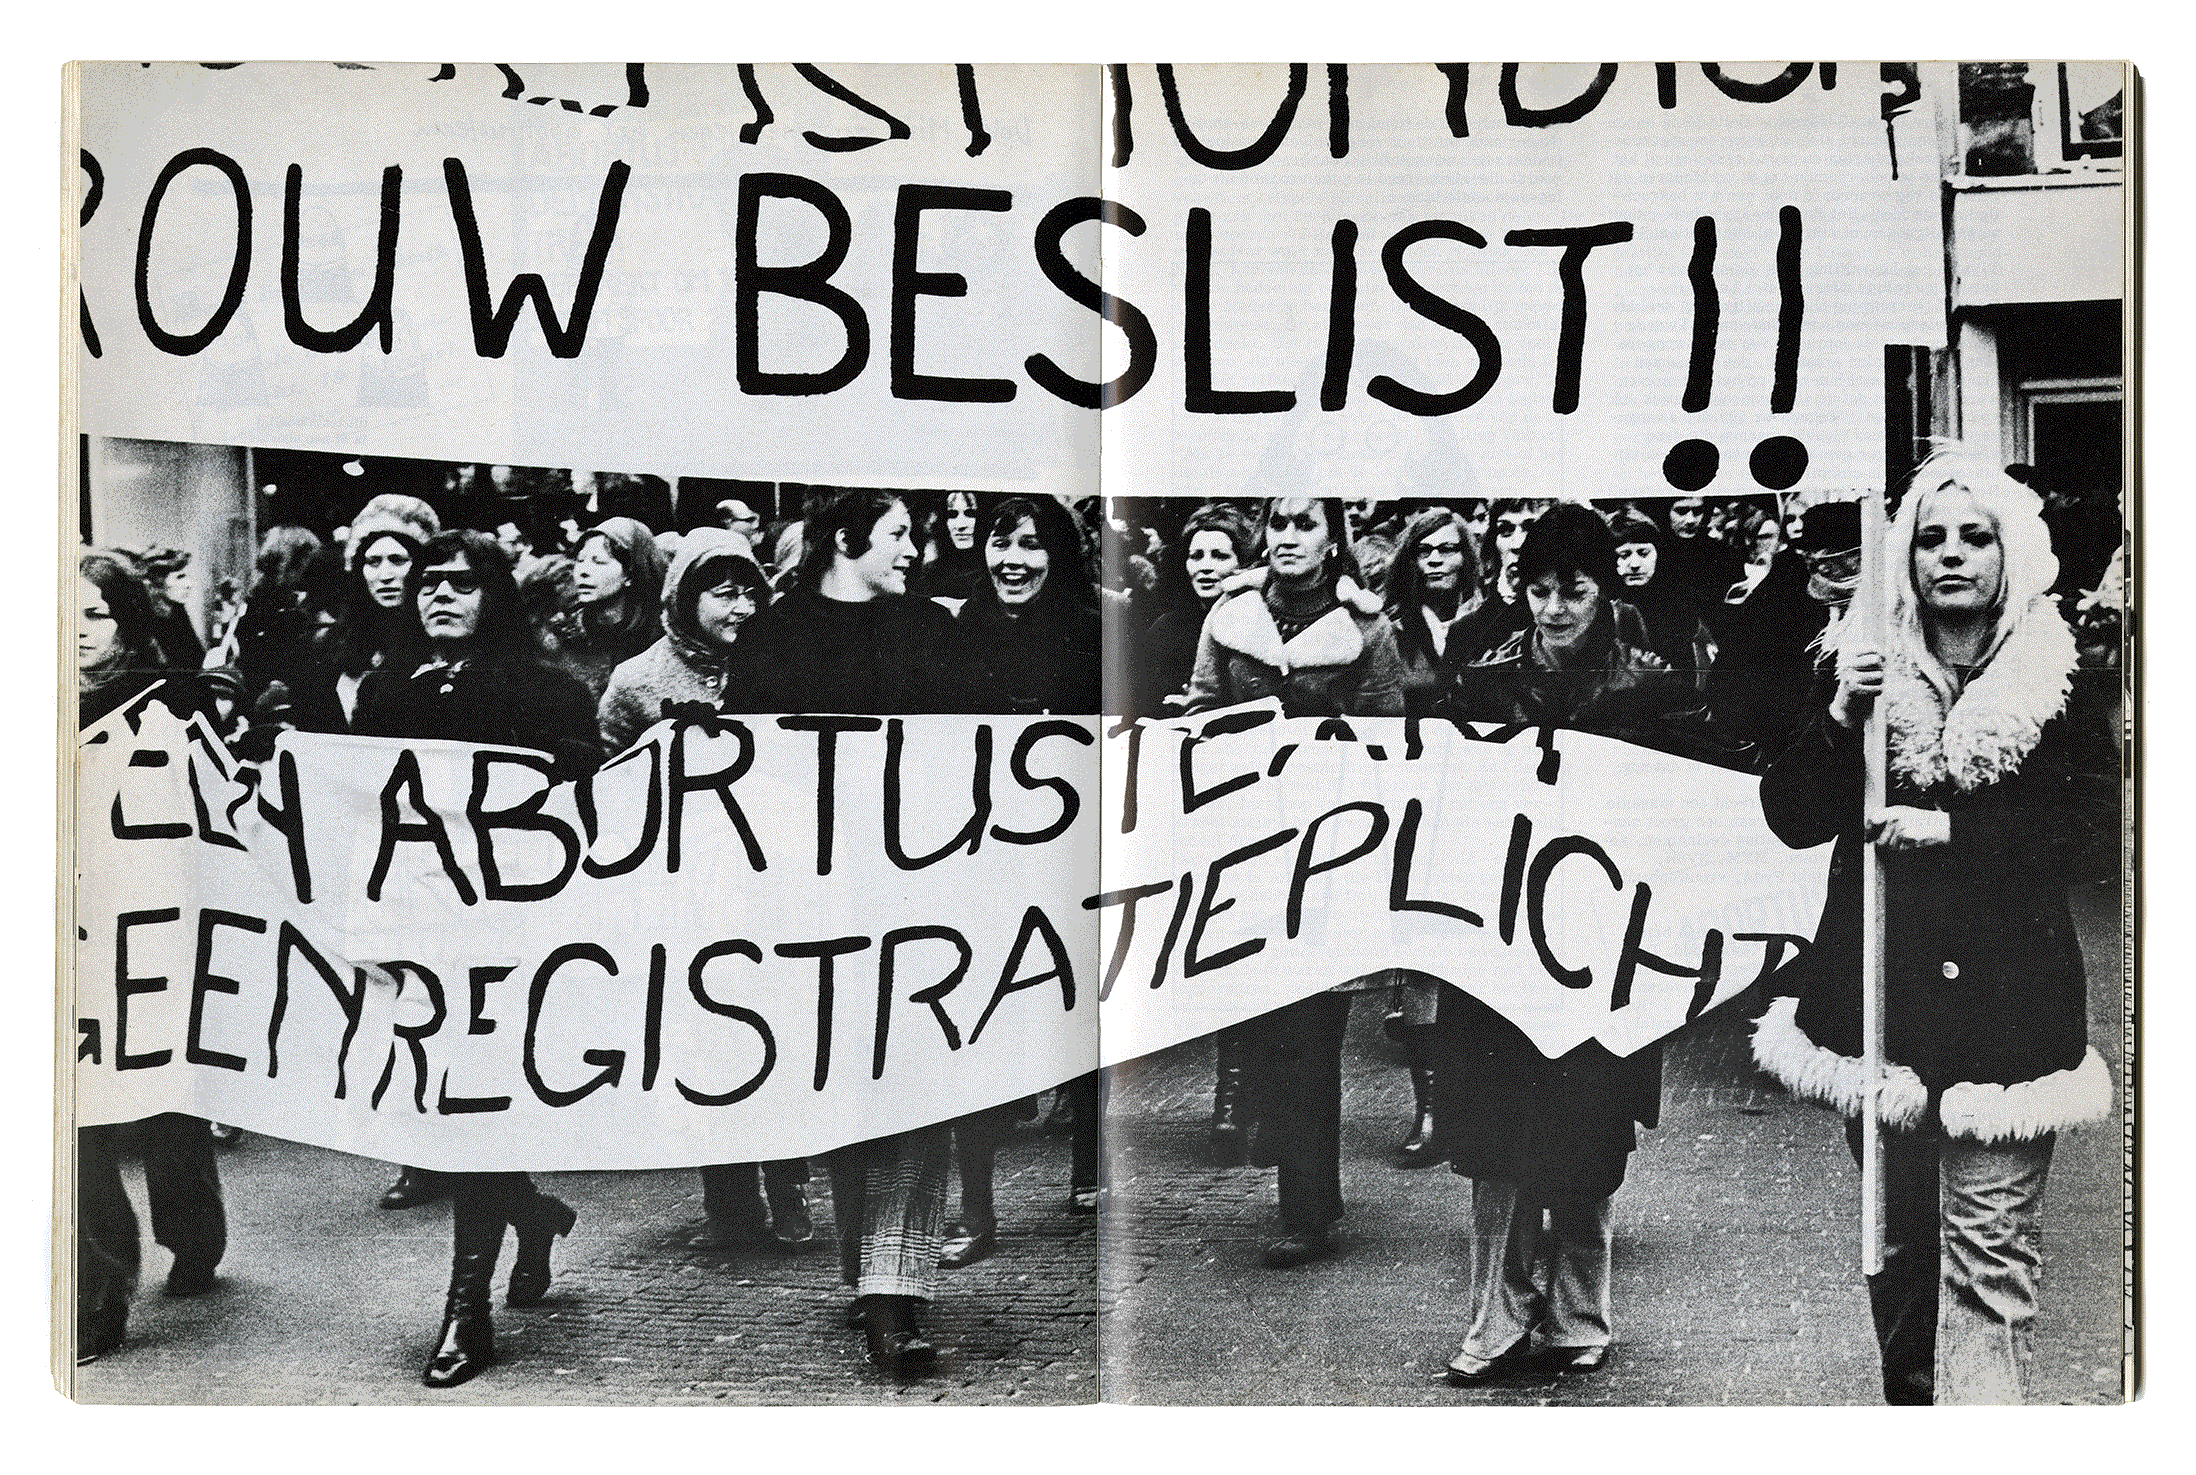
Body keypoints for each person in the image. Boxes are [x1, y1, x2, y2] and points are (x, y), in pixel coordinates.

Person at [1751, 451, 2114, 1405]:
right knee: (1902, 1250)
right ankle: (1915, 1418)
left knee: (1989, 1260)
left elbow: (2092, 830)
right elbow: (1790, 813)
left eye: (1977, 536)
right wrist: (1839, 712)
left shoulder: (2067, 675)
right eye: (1930, 537)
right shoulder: (1855, 661)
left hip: (2012, 1020)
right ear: (1900, 556)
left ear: (2015, 552)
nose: (1952, 555)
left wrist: (1953, 829)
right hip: (1883, 1011)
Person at [1431, 503, 1703, 1383]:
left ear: (1605, 590)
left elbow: (1692, 810)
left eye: (1573, 590)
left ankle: (1581, 1309)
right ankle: (1496, 1312)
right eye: (1539, 589)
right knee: (1493, 1134)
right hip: (1500, 945)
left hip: (1606, 947)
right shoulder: (1479, 684)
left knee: (1587, 1131)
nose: (1553, 609)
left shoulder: (1655, 689)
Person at [352, 531, 601, 1387]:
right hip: (423, 936)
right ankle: (533, 1217)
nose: (441, 595)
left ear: (496, 596)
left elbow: (585, 804)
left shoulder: (552, 694)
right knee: (453, 1116)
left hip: (511, 941)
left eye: (463, 583)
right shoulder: (384, 693)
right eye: (429, 582)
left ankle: (468, 1310)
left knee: (476, 1112)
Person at [725, 489, 965, 1375]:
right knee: (845, 1087)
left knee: (915, 1084)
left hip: (914, 894)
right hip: (811, 900)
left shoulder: (931, 632)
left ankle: (893, 1290)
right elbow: (743, 767)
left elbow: (969, 755)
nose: (914, 548)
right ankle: (866, 1272)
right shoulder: (771, 637)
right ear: (844, 538)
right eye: (900, 533)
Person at [1183, 496, 1406, 1267]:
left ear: (1331, 539)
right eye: (1277, 524)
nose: (1286, 538)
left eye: (1304, 524)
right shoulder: (1229, 618)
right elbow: (1199, 715)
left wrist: (1323, 743)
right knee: (1260, 1018)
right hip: (1246, 842)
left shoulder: (1368, 631)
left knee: (1312, 1032)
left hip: (1328, 848)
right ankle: (1291, 1156)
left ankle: (1308, 1210)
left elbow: (1388, 740)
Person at [593, 529, 822, 1252]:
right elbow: (609, 784)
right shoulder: (636, 680)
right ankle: (728, 1200)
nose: (741, 606)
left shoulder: (781, 664)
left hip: (771, 883)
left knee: (775, 1031)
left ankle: (788, 1188)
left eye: (751, 589)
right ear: (683, 596)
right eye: (723, 591)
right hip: (684, 888)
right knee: (702, 1038)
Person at [935, 496, 1105, 1268]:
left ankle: (1088, 1163)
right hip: (979, 856)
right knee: (974, 1019)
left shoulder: (1092, 632)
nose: (1012, 560)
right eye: (1002, 541)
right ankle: (975, 1204)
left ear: (1058, 555)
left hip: (1072, 852)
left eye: (1031, 545)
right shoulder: (960, 632)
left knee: (1077, 1009)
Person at [74, 551, 232, 1367]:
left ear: (127, 621)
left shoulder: (168, 702)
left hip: (149, 929)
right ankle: (101, 1286)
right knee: (80, 1110)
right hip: (67, 935)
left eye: (94, 614)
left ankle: (194, 1235)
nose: (73, 629)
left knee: (164, 1093)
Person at [1376, 507, 1485, 1167]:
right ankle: (1431, 1107)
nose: (1438, 559)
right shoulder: (1390, 630)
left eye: (1450, 549)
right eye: (1426, 551)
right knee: (1419, 956)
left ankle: (1478, 1099)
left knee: (1477, 955)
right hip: (1412, 802)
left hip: (1482, 800)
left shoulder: (1497, 620)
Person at [1129, 502, 1256, 721]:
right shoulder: (1166, 628)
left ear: (1244, 561)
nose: (1205, 567)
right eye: (1196, 556)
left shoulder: (1258, 622)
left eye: (1220, 556)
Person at [565, 515, 669, 700]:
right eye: (580, 560)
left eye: (599, 562)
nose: (583, 571)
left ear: (630, 573)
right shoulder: (569, 632)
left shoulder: (659, 634)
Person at [1607, 512, 1715, 686]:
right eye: (1624, 554)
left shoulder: (1681, 604)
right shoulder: (1602, 605)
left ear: (1657, 554)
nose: (1634, 564)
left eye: (1643, 553)